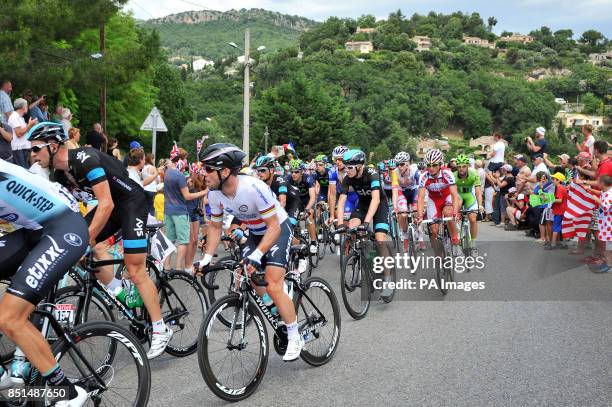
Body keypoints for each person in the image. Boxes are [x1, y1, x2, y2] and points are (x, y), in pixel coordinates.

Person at [27, 121, 174, 359]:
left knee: (135, 269)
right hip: (113, 207)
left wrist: (86, 241)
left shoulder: (86, 159)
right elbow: (69, 211)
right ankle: (120, 291)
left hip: (131, 203)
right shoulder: (60, 174)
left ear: (53, 146)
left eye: (36, 149)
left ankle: (160, 328)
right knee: (76, 248)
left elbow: (105, 204)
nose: (32, 155)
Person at [195, 143, 304, 360]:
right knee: (248, 273)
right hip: (255, 232)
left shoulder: (253, 187)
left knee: (272, 284)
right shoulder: (215, 194)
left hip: (278, 228)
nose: (202, 174)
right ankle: (279, 309)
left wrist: (257, 254)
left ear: (224, 171)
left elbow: (273, 227)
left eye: (208, 169)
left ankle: (294, 335)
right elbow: (215, 227)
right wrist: (207, 258)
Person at [0, 158, 90, 405]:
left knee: (9, 317)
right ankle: (5, 380)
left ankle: (68, 393)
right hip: (34, 231)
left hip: (63, 228)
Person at [335, 149, 393, 299]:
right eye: (345, 167)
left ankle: (387, 279)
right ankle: (364, 256)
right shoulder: (348, 178)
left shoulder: (372, 173)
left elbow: (375, 199)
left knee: (380, 239)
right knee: (353, 226)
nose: (346, 170)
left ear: (360, 166)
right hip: (363, 204)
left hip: (379, 204)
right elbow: (341, 201)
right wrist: (341, 224)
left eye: (350, 167)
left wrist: (367, 222)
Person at [163, 150, 207, 271]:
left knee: (171, 239)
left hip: (168, 210)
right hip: (180, 211)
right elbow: (187, 196)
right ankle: (178, 268)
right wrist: (204, 192)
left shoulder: (167, 173)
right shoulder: (179, 175)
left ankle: (166, 266)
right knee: (183, 241)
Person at [416, 149, 462, 253]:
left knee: (448, 213)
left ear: (440, 164)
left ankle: (455, 242)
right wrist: (419, 216)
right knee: (434, 230)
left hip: (447, 197)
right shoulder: (423, 177)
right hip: (434, 200)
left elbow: (454, 195)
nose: (431, 168)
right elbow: (421, 198)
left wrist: (455, 212)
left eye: (434, 165)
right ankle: (439, 254)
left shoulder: (447, 174)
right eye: (428, 165)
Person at [287, 159, 318, 254]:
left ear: (301, 172)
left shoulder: (308, 178)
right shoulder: (287, 179)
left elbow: (313, 197)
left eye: (296, 172)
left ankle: (313, 242)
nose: (294, 174)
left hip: (307, 201)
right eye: (292, 172)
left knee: (310, 214)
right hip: (295, 203)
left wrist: (307, 209)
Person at [453, 154, 483, 250]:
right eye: (459, 167)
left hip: (470, 197)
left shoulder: (474, 174)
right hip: (458, 197)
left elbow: (478, 192)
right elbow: (451, 193)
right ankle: (456, 232)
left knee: (473, 219)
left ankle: (473, 241)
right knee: (455, 214)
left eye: (464, 166)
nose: (461, 169)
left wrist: (480, 205)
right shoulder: (453, 176)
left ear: (467, 166)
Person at [8, 98, 37, 168]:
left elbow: (23, 131)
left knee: (25, 169)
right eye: (26, 106)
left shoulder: (20, 117)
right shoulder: (14, 117)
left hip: (22, 147)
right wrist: (29, 125)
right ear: (23, 107)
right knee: (22, 170)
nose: (27, 108)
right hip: (18, 148)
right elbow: (19, 133)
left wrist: (29, 125)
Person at [593, 175, 612, 273]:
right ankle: (608, 263)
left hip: (609, 225)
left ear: (603, 183)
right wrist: (591, 191)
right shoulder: (606, 192)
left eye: (598, 181)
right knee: (608, 245)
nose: (597, 183)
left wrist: (597, 200)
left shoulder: (610, 194)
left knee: (609, 246)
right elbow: (600, 193)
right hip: (606, 224)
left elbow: (606, 206)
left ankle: (609, 266)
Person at [550, 172, 568, 249]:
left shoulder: (560, 188)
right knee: (560, 227)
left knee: (556, 227)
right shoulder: (560, 187)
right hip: (560, 210)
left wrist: (549, 199)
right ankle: (562, 243)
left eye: (554, 179)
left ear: (558, 180)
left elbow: (559, 200)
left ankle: (553, 244)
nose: (552, 180)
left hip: (560, 211)